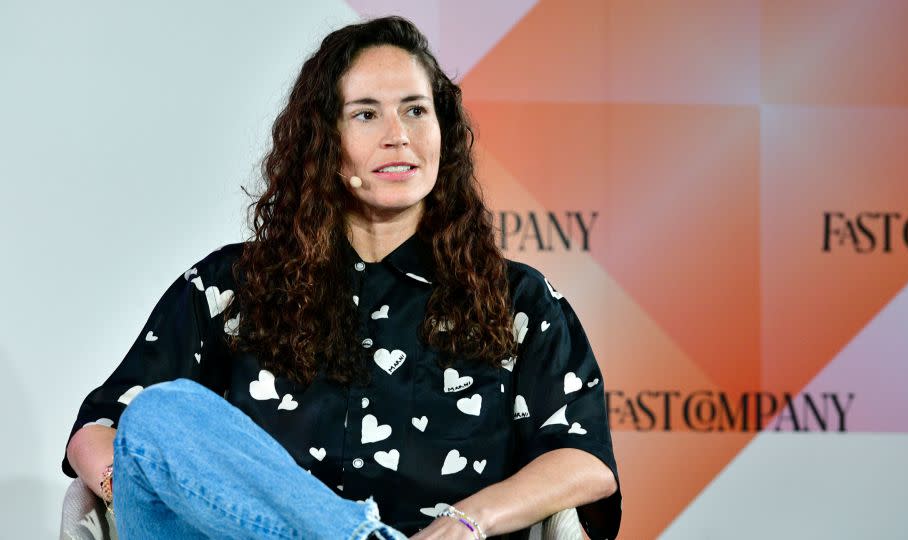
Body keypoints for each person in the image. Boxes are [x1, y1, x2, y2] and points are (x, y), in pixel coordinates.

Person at [63, 16, 621, 540]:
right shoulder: (232, 286)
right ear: (325, 146)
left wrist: (469, 520)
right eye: (366, 113)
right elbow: (100, 429)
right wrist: (133, 486)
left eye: (415, 110)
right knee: (160, 413)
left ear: (442, 134)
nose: (397, 135)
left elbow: (585, 459)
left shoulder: (513, 299)